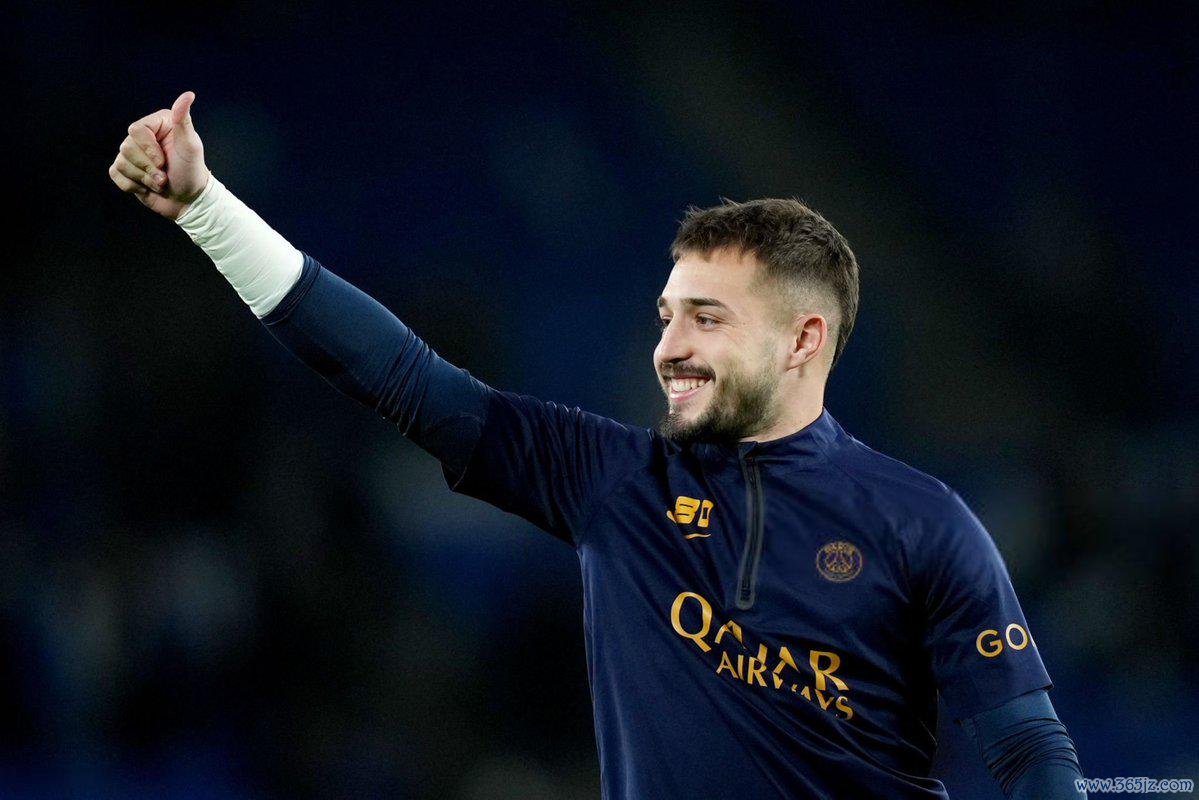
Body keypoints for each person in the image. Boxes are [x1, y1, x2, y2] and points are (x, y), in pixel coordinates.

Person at [109, 91, 1086, 799]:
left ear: (802, 341)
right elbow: (403, 377)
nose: (669, 347)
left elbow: (1026, 747)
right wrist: (207, 210)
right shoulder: (613, 480)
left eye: (706, 318)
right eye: (667, 316)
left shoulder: (922, 523)